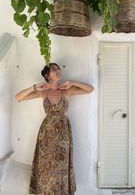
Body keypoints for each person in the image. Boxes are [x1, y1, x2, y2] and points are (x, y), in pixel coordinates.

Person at [15, 62, 94, 195]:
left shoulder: (66, 90)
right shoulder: (42, 92)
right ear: (47, 75)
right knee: (45, 166)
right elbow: (18, 97)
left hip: (63, 134)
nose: (58, 71)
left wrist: (72, 82)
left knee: (61, 167)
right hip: (46, 134)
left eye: (58, 69)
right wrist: (34, 87)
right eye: (53, 69)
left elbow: (90, 89)